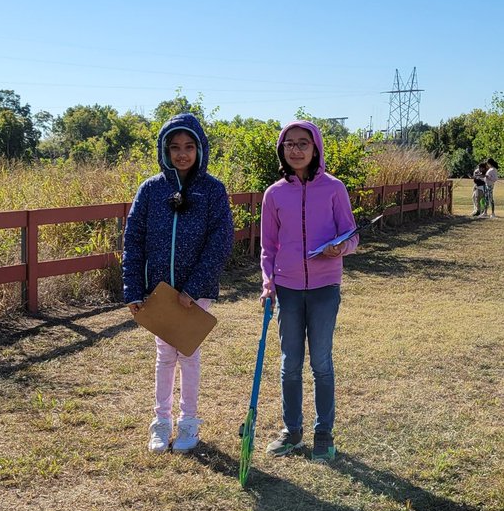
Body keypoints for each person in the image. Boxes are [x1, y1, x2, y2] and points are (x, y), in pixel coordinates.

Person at [123, 113, 234, 453]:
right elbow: (134, 240)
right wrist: (133, 289)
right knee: (163, 356)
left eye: (189, 146)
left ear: (200, 149)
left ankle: (189, 423)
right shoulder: (151, 189)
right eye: (175, 147)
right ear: (165, 150)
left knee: (188, 353)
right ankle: (161, 422)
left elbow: (221, 240)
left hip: (194, 294)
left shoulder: (212, 190)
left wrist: (194, 286)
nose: (182, 154)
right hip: (159, 292)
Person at [260, 122, 359, 462]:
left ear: (315, 148)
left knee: (321, 362)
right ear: (282, 150)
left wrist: (340, 248)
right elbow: (267, 247)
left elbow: (352, 235)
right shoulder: (273, 194)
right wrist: (268, 282)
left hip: (324, 287)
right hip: (286, 288)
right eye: (290, 144)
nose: (296, 150)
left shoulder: (334, 188)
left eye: (303, 143)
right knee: (290, 364)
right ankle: (292, 431)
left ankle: (323, 432)